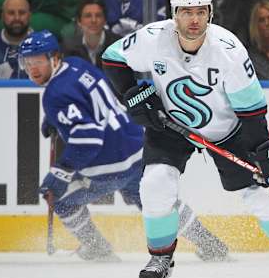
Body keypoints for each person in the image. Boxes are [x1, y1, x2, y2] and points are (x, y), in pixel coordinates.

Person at [102, 0, 269, 278]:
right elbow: (112, 59)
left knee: (263, 192)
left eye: (200, 12)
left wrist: (263, 152)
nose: (193, 19)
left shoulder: (229, 51)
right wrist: (133, 95)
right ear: (174, 15)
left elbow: (250, 112)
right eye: (186, 12)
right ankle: (160, 260)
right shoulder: (153, 38)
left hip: (228, 130)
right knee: (155, 183)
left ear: (210, 13)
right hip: (171, 125)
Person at [18, 29, 229, 262]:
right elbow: (87, 100)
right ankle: (209, 243)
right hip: (136, 147)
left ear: (54, 58)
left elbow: (88, 140)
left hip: (109, 165)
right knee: (158, 202)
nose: (32, 69)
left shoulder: (54, 94)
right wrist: (55, 119)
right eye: (27, 63)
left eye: (38, 61)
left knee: (61, 201)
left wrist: (59, 175)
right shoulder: (77, 64)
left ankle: (97, 248)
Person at [61, 0, 121, 69]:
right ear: (79, 22)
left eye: (98, 15)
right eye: (88, 16)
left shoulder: (119, 46)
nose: (93, 20)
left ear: (105, 21)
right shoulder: (68, 47)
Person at [0, 0, 32, 79]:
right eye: (11, 13)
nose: (17, 18)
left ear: (29, 16)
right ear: (2, 17)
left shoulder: (45, 46)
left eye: (22, 13)